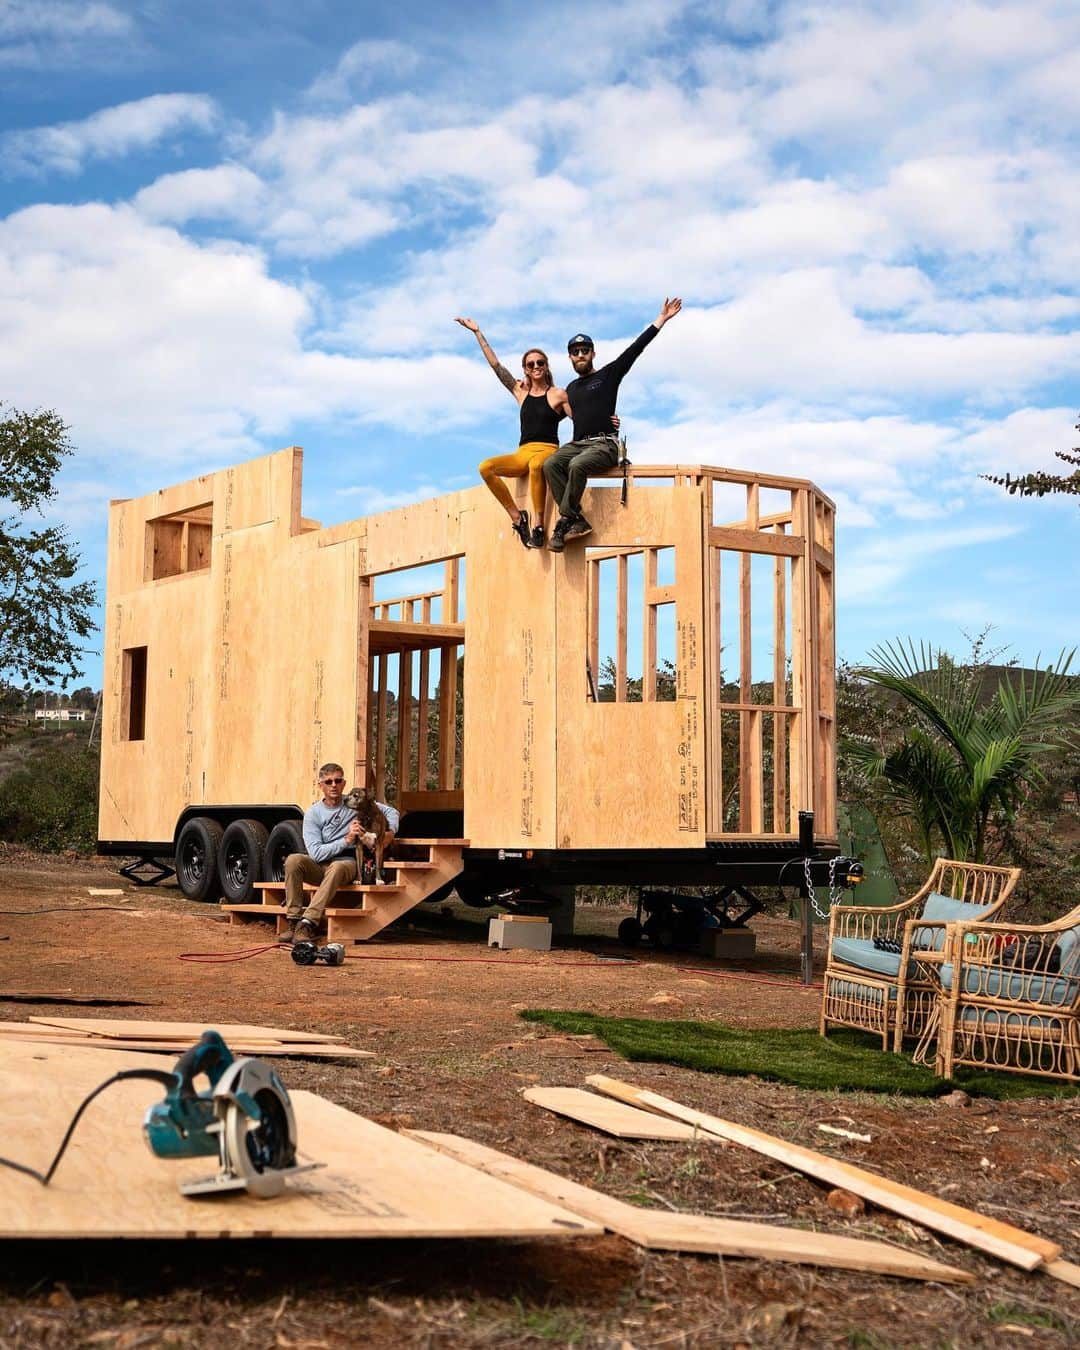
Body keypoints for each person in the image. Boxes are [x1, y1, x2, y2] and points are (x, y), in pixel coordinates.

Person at [544, 298, 683, 552]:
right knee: (551, 463)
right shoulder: (571, 389)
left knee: (576, 465)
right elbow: (551, 415)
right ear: (570, 358)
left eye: (584, 351)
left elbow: (635, 349)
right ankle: (575, 518)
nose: (580, 355)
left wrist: (661, 320)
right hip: (578, 444)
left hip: (604, 444)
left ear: (592, 354)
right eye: (575, 353)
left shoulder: (608, 375)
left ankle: (565, 517)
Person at [455, 317, 569, 549]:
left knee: (537, 466)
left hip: (547, 450)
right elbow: (496, 366)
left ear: (546, 366)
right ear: (525, 369)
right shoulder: (520, 393)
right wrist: (478, 332)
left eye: (540, 363)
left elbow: (582, 415)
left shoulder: (558, 394)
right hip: (523, 452)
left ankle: (538, 525)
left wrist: (608, 422)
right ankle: (518, 518)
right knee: (485, 467)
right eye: (530, 365)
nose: (535, 367)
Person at [281, 763, 400, 944]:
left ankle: (308, 923)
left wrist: (389, 833)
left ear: (343, 783)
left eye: (338, 780)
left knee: (337, 867)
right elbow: (316, 854)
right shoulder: (313, 813)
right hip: (321, 863)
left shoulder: (355, 801)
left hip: (348, 862)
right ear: (320, 785)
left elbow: (392, 811)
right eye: (328, 781)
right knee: (293, 860)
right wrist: (346, 839)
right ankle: (293, 920)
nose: (333, 785)